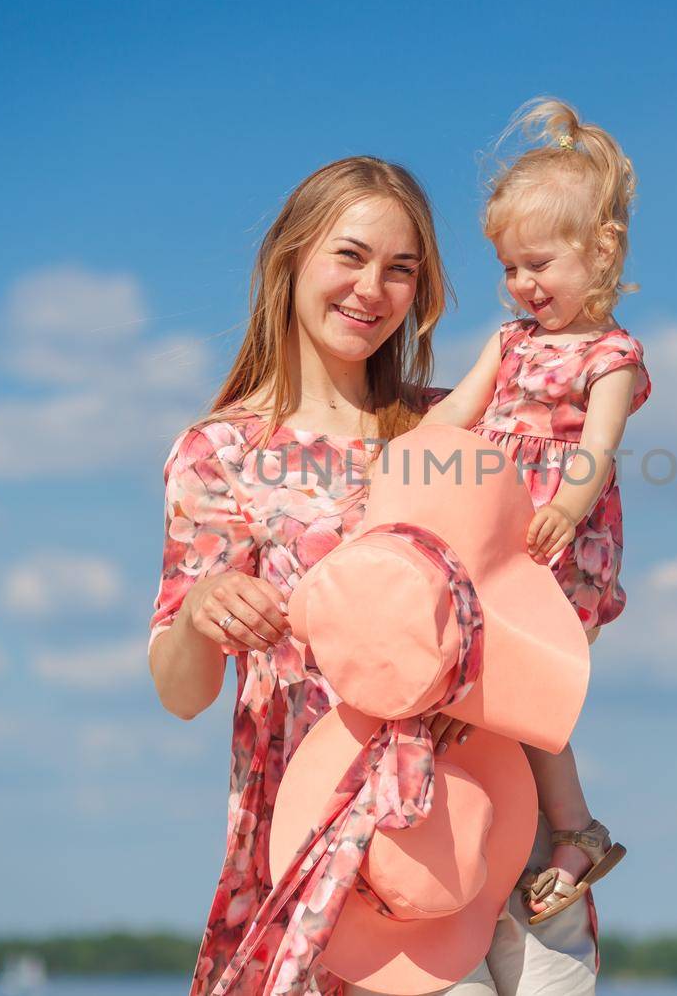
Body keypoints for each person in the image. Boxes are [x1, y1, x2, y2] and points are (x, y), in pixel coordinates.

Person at [147, 156, 599, 996]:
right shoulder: (221, 453)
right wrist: (204, 608)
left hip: (481, 825)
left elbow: (549, 590)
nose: (372, 289)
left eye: (402, 268)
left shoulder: (455, 424)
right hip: (329, 851)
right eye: (349, 256)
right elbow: (180, 692)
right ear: (289, 258)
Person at [419, 97, 651, 926]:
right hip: (497, 540)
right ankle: (560, 831)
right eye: (511, 269)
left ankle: (572, 831)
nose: (523, 285)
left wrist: (568, 505)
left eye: (540, 265)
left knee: (529, 695)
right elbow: (461, 411)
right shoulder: (511, 342)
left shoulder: (611, 355)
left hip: (562, 545)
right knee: (502, 694)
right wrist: (398, 447)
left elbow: (598, 448)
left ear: (602, 252)